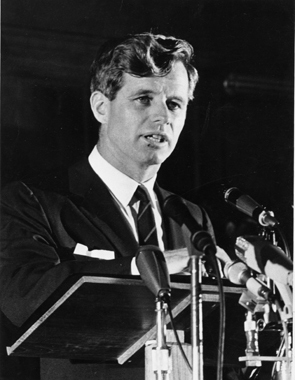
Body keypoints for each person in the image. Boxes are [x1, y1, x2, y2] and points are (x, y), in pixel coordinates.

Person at [0, 32, 216, 380]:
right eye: (144, 99)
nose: (163, 117)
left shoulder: (192, 218)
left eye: (175, 104)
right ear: (101, 106)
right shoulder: (33, 200)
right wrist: (143, 267)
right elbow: (23, 296)